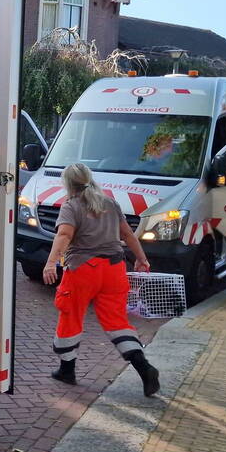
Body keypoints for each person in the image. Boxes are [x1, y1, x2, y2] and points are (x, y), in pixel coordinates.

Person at [42, 163, 160, 397]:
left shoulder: (71, 206)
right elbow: (127, 234)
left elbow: (64, 234)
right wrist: (141, 259)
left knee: (70, 315)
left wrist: (50, 262)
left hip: (83, 270)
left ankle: (67, 370)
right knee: (117, 322)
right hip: (114, 269)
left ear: (67, 183)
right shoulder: (110, 203)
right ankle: (144, 367)